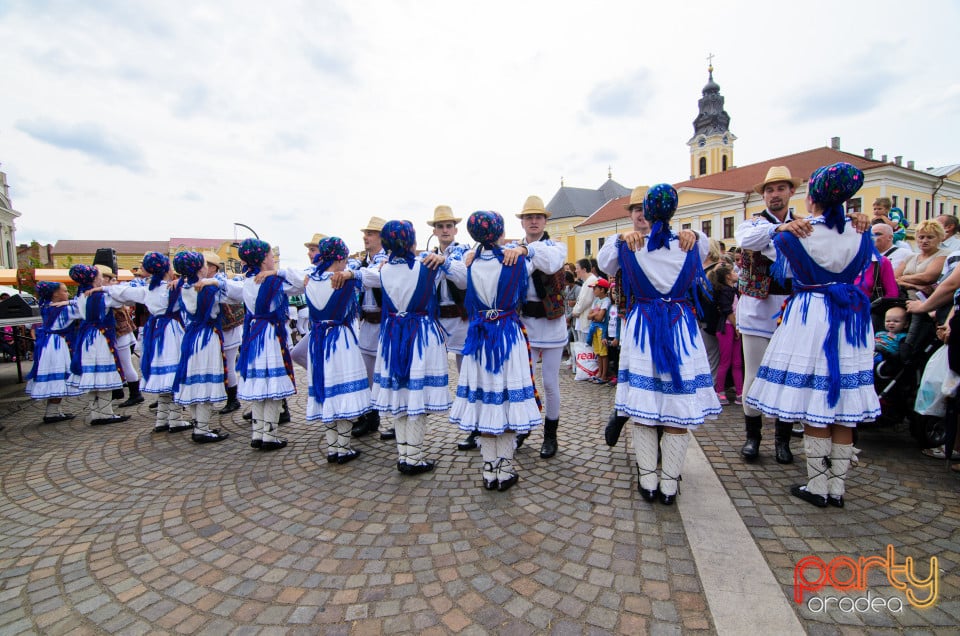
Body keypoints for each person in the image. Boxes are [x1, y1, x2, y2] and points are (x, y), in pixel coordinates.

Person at [746, 162, 880, 508]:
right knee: (844, 403)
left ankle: (818, 486)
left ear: (810, 198)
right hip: (851, 316)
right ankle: (836, 488)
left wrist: (783, 229)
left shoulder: (795, 234)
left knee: (819, 401)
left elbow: (758, 244)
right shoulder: (859, 231)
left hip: (813, 314)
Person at [597, 184, 720, 505]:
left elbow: (604, 262)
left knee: (645, 405)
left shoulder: (628, 247)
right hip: (681, 324)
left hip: (644, 326)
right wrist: (688, 232)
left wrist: (622, 239)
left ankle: (648, 477)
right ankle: (669, 482)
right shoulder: (690, 244)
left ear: (648, 213)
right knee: (675, 409)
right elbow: (706, 247)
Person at [339, 220, 465, 475]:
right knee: (415, 396)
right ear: (412, 242)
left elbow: (364, 275)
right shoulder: (427, 266)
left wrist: (351, 273)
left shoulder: (383, 269)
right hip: (421, 334)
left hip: (393, 333)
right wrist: (445, 261)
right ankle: (414, 457)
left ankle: (405, 454)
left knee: (400, 393)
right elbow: (463, 279)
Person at [450, 211, 542, 491]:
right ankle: (504, 467)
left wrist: (469, 253)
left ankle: (490, 470)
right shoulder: (517, 261)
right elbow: (549, 254)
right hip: (508, 336)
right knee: (507, 401)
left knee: (486, 402)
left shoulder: (468, 263)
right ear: (500, 231)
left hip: (479, 338)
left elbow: (449, 269)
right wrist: (524, 247)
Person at [735, 166, 804, 464]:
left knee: (786, 376)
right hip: (758, 306)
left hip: (791, 305)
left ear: (791, 192)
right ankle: (753, 437)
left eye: (780, 189)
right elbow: (748, 241)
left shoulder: (804, 223)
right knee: (754, 374)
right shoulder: (752, 224)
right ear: (763, 195)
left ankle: (783, 440)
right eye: (769, 190)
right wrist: (779, 229)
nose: (775, 194)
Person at [94, 252, 192, 434]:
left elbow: (122, 291)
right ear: (165, 269)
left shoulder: (148, 290)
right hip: (172, 331)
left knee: (164, 376)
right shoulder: (174, 289)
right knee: (175, 375)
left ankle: (161, 420)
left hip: (155, 331)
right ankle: (175, 420)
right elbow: (196, 288)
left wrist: (103, 288)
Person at [229, 238, 304, 452]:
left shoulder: (247, 282)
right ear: (263, 259)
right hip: (270, 335)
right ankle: (269, 436)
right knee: (271, 386)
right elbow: (302, 282)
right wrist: (278, 273)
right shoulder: (275, 282)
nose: (274, 260)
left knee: (260, 384)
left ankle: (258, 433)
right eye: (271, 256)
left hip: (254, 335)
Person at [302, 237, 368, 464]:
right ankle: (343, 447)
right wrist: (352, 273)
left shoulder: (309, 279)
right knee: (343, 392)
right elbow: (370, 275)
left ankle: (332, 448)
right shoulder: (345, 281)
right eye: (345, 259)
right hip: (340, 339)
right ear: (339, 258)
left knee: (326, 389)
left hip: (318, 339)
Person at [514, 195, 568, 459]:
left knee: (549, 383)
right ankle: (524, 426)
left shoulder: (556, 247)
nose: (533, 221)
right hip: (525, 325)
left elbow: (549, 263)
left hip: (551, 324)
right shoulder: (515, 249)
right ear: (522, 222)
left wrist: (527, 251)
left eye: (538, 217)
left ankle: (551, 434)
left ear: (545, 220)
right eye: (528, 217)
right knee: (524, 380)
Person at [425, 206, 476, 452]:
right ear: (434, 231)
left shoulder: (465, 251)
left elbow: (465, 278)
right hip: (438, 320)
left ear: (455, 229)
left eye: (448, 226)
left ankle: (474, 427)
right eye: (440, 226)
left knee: (466, 375)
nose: (445, 230)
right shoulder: (429, 254)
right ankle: (410, 414)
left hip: (461, 320)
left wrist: (444, 263)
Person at [172, 252, 236, 444]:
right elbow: (233, 295)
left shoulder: (181, 287)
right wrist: (216, 283)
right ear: (200, 268)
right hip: (207, 336)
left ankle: (197, 423)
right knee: (205, 379)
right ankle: (202, 428)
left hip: (191, 336)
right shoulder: (209, 290)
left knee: (193, 378)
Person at [64, 264, 131, 426]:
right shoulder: (102, 297)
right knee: (103, 373)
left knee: (92, 374)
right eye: (100, 275)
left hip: (86, 337)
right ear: (94, 278)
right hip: (100, 337)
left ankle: (95, 413)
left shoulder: (81, 296)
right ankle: (106, 413)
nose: (102, 278)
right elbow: (125, 298)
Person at [352, 216, 390, 439]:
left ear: (382, 237)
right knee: (366, 375)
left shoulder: (388, 261)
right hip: (367, 322)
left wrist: (353, 275)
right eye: (365, 233)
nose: (366, 237)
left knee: (389, 373)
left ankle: (397, 418)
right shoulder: (361, 262)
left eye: (371, 233)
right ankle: (370, 416)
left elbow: (377, 279)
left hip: (385, 323)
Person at [25, 281, 81, 423]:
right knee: (59, 376)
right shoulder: (64, 310)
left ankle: (53, 411)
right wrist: (71, 302)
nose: (68, 293)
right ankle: (52, 412)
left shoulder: (45, 306)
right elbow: (85, 308)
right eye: (65, 291)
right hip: (56, 344)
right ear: (55, 294)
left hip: (46, 343)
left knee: (53, 376)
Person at [96, 266, 144, 408]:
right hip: (113, 332)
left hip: (120, 332)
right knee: (118, 362)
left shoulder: (114, 291)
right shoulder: (109, 291)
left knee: (125, 363)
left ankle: (135, 394)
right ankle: (118, 390)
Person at [709, 263, 743, 405]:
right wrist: (736, 326)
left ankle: (740, 392)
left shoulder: (734, 290)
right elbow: (727, 310)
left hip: (735, 328)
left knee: (737, 362)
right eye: (733, 272)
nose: (736, 274)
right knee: (725, 361)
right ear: (728, 277)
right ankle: (719, 390)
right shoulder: (725, 291)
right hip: (727, 328)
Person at [586, 278, 612, 384]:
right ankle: (599, 373)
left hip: (602, 329)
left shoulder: (606, 301)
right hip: (594, 329)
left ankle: (604, 375)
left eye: (595, 288)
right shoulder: (596, 301)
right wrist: (594, 315)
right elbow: (589, 315)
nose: (593, 291)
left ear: (602, 290)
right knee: (598, 352)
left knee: (603, 353)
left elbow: (601, 317)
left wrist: (594, 315)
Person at [571, 259, 598, 344]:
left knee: (586, 349)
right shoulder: (587, 281)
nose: (575, 271)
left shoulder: (591, 280)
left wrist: (575, 311)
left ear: (584, 269)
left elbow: (585, 300)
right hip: (583, 319)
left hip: (587, 319)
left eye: (577, 268)